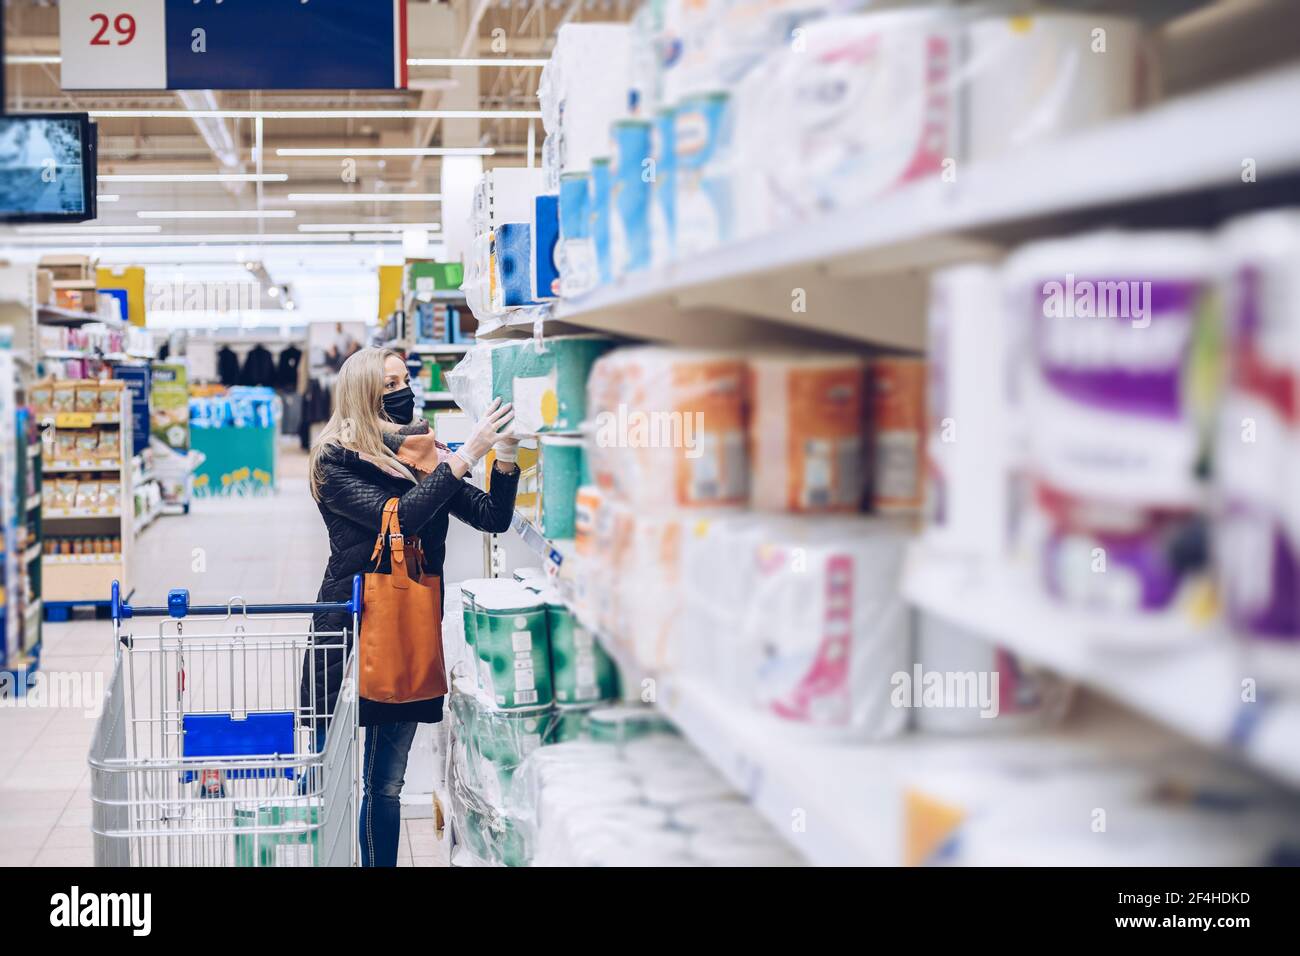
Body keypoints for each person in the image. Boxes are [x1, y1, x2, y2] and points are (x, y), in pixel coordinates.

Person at [304, 347, 519, 866]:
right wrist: (466, 454)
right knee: (338, 774)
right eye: (388, 385)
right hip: (353, 629)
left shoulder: (423, 452)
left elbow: (492, 517)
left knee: (385, 780)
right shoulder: (335, 460)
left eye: (404, 379)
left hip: (404, 626)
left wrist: (506, 452)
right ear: (362, 395)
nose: (402, 392)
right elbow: (399, 518)